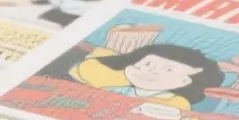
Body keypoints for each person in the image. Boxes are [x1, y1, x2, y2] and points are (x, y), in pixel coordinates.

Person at [70, 43, 224, 111]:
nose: (150, 69)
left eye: (169, 69)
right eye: (148, 63)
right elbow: (86, 70)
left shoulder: (175, 102)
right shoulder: (110, 76)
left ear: (184, 82)